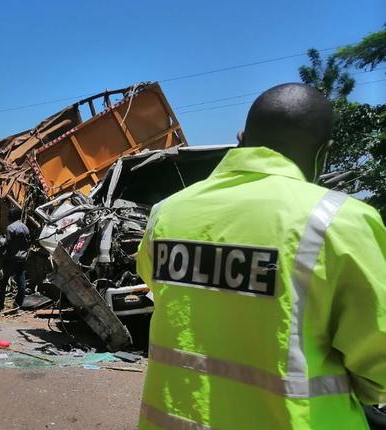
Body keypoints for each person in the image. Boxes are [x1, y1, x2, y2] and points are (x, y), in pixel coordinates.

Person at [136, 83, 385, 429]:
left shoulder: (166, 214)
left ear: (241, 136)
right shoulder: (339, 221)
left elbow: (160, 285)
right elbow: (378, 363)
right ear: (323, 153)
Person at [0, 206, 30, 312]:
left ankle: (0, 307)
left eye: (9, 215)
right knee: (21, 283)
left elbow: (8, 244)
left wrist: (1, 243)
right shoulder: (25, 227)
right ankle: (18, 304)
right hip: (22, 259)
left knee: (2, 283)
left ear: (12, 216)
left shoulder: (10, 228)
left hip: (11, 259)